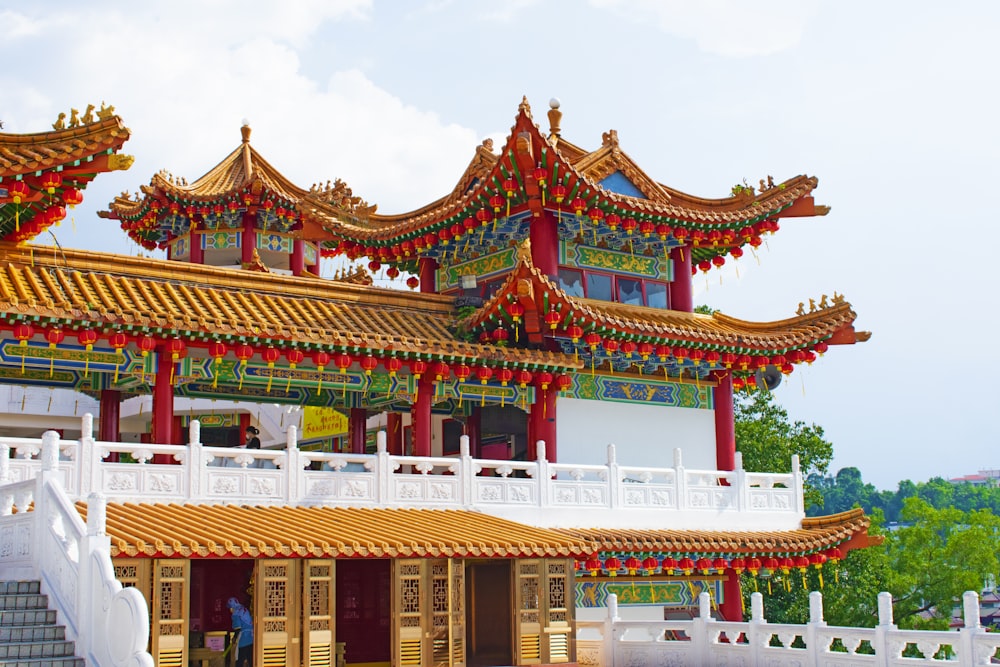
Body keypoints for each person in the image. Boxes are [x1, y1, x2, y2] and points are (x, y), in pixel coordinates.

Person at [228, 596, 254, 667]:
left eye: (230, 608)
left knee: (240, 659)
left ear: (231, 607)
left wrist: (234, 638)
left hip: (243, 639)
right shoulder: (244, 609)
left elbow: (238, 628)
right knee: (250, 659)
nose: (230, 610)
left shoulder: (235, 613)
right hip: (251, 637)